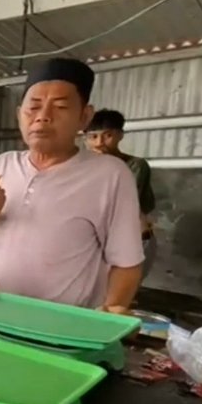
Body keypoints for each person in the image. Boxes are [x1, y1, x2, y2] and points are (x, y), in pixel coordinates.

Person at [0, 58, 144, 310]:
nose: (42, 117)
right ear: (19, 115)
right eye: (33, 107)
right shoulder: (2, 165)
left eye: (60, 106)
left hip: (64, 326)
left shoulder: (111, 174)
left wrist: (108, 318)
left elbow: (128, 263)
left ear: (84, 117)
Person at [84, 108, 158, 278]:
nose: (99, 142)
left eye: (107, 135)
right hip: (96, 241)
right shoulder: (80, 166)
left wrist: (102, 165)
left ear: (120, 136)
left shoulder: (135, 165)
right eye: (93, 137)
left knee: (120, 289)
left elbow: (121, 202)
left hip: (133, 239)